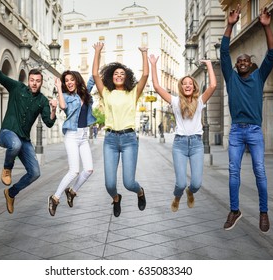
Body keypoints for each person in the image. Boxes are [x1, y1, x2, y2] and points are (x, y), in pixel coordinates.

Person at [220, 5, 273, 232]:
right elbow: (224, 52)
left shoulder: (258, 77)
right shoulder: (231, 78)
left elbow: (272, 54)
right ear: (236, 66)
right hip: (235, 130)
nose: (242, 62)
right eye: (239, 61)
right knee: (233, 171)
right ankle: (235, 210)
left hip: (254, 130)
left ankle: (264, 213)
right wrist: (230, 25)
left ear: (250, 64)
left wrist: (267, 27)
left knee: (259, 171)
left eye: (246, 60)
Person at [0, 44, 57, 214]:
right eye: (32, 80)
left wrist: (52, 109)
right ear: (28, 80)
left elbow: (49, 122)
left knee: (35, 173)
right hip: (7, 133)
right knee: (14, 144)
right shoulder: (17, 87)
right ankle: (7, 168)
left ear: (41, 82)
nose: (34, 83)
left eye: (38, 81)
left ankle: (11, 193)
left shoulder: (43, 101)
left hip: (24, 139)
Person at [149, 55, 216, 212]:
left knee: (196, 184)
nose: (187, 85)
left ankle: (190, 192)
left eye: (190, 84)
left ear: (194, 87)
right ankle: (177, 197)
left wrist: (209, 65)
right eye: (184, 84)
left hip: (196, 145)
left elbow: (213, 85)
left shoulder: (200, 101)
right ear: (181, 87)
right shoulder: (174, 101)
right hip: (179, 144)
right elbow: (157, 87)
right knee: (180, 183)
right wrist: (153, 65)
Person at [92, 41, 148, 217]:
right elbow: (94, 74)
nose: (118, 75)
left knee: (129, 182)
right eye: (116, 73)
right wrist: (98, 51)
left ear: (126, 77)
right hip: (110, 140)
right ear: (111, 76)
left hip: (129, 139)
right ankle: (116, 198)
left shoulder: (133, 93)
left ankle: (140, 192)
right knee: (109, 184)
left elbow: (145, 75)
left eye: (122, 73)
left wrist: (144, 53)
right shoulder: (106, 93)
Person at [48, 71, 96, 216]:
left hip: (83, 136)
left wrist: (98, 53)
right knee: (74, 171)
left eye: (71, 80)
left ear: (77, 81)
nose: (69, 82)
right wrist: (58, 87)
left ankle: (72, 191)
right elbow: (62, 106)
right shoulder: (66, 96)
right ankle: (55, 198)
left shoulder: (84, 93)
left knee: (88, 170)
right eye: (66, 80)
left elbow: (93, 77)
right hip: (72, 136)